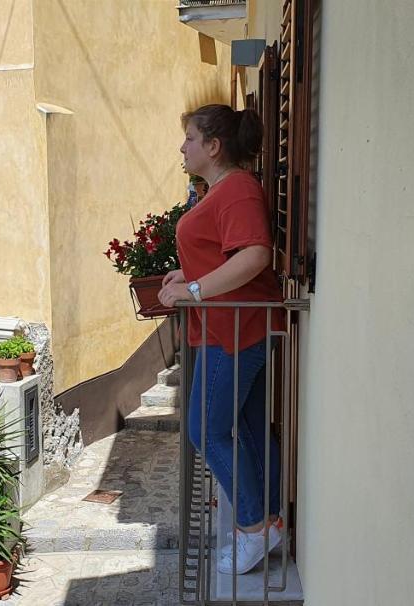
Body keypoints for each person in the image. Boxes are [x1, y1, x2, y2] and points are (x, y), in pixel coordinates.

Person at [158, 104, 284, 575]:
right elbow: (223, 255)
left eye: (190, 138)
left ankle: (252, 529)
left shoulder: (238, 191)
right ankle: (269, 524)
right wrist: (187, 274)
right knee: (249, 429)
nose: (183, 147)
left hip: (233, 332)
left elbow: (253, 255)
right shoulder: (224, 189)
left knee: (205, 430)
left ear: (213, 146)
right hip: (229, 326)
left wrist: (193, 289)